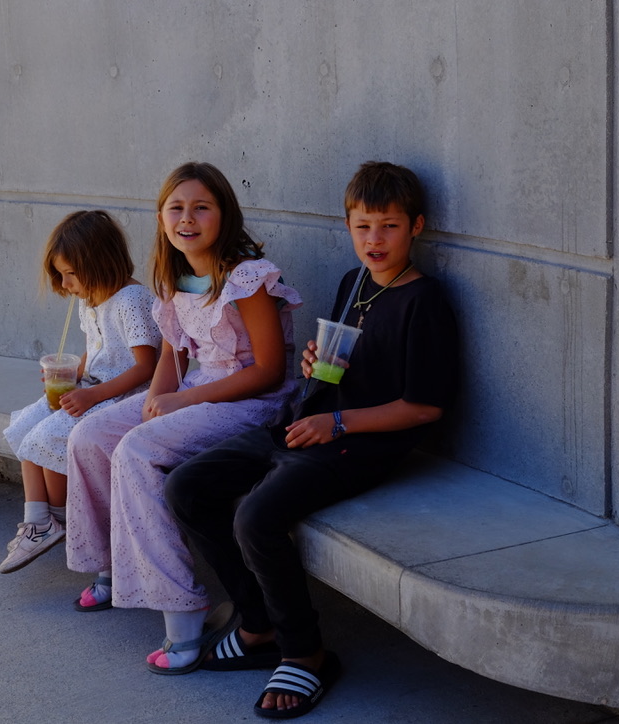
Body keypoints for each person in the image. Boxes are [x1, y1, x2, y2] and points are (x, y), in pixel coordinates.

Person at [165, 161, 459, 718]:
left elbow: (425, 406)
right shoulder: (353, 285)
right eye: (363, 226)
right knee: (188, 485)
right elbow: (342, 365)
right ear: (348, 226)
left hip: (360, 443)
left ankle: (305, 653)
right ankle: (257, 625)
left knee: (256, 516)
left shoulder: (426, 301)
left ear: (416, 226)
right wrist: (316, 366)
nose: (374, 240)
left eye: (389, 226)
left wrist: (340, 422)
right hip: (309, 425)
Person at [63, 162, 303, 675]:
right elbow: (174, 355)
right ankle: (112, 568)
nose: (187, 218)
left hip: (250, 403)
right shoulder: (174, 276)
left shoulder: (246, 278)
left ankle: (183, 614)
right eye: (176, 208)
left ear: (224, 215)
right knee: (91, 433)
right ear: (161, 218)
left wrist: (179, 405)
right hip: (198, 391)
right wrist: (155, 399)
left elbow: (268, 371)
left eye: (201, 207)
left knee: (138, 450)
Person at [0, 210, 160, 574]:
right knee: (29, 425)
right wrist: (73, 375)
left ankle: (59, 518)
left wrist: (92, 395)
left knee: (50, 436)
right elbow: (97, 349)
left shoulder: (131, 300)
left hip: (122, 396)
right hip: (91, 388)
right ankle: (37, 521)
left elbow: (146, 368)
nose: (65, 283)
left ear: (100, 261)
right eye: (60, 274)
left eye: (70, 273)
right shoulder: (92, 300)